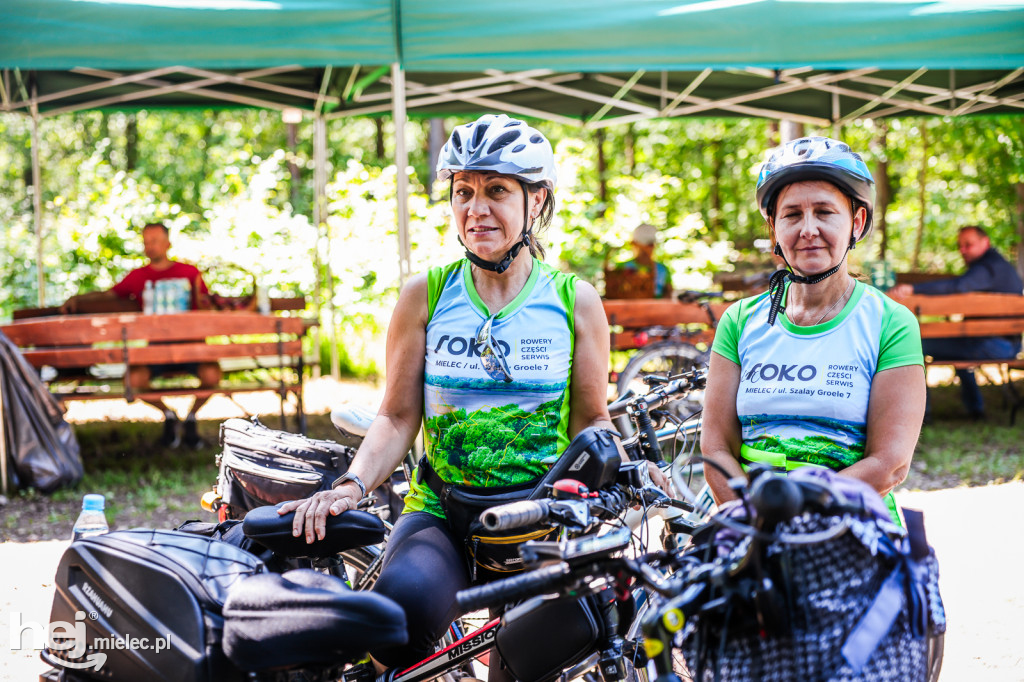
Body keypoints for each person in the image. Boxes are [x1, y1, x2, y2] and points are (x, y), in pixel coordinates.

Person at [280, 114, 663, 675]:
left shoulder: (574, 301)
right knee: (395, 627)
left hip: (544, 519)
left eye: (497, 191)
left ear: (537, 202)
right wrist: (352, 485)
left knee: (527, 663)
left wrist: (631, 466)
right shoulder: (425, 295)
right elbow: (395, 416)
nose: (476, 209)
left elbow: (592, 419)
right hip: (445, 516)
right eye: (463, 192)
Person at [700, 136, 926, 524]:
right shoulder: (739, 321)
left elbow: (889, 464)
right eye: (791, 215)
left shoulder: (890, 322)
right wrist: (752, 522)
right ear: (773, 227)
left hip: (847, 530)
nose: (808, 229)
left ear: (856, 223)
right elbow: (716, 448)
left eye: (824, 212)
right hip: (748, 529)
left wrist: (792, 517)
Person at [61, 222, 219, 448]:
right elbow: (109, 295)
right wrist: (78, 300)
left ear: (168, 243)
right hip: (154, 348)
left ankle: (191, 417)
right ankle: (169, 415)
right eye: (146, 242)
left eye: (154, 241)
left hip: (190, 346)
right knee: (133, 380)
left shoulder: (189, 273)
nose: (150, 246)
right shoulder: (138, 276)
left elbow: (205, 306)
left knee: (212, 374)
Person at [889, 225, 1024, 419]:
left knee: (914, 344)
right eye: (960, 245)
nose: (962, 250)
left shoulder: (987, 268)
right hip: (1002, 343)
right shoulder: (998, 265)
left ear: (985, 242)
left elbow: (959, 286)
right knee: (954, 348)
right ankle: (974, 408)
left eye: (968, 245)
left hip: (995, 345)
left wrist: (912, 289)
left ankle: (921, 413)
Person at [618, 223, 673, 298]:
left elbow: (669, 294)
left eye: (649, 245)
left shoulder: (662, 270)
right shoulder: (622, 267)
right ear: (634, 244)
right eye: (642, 247)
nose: (645, 250)